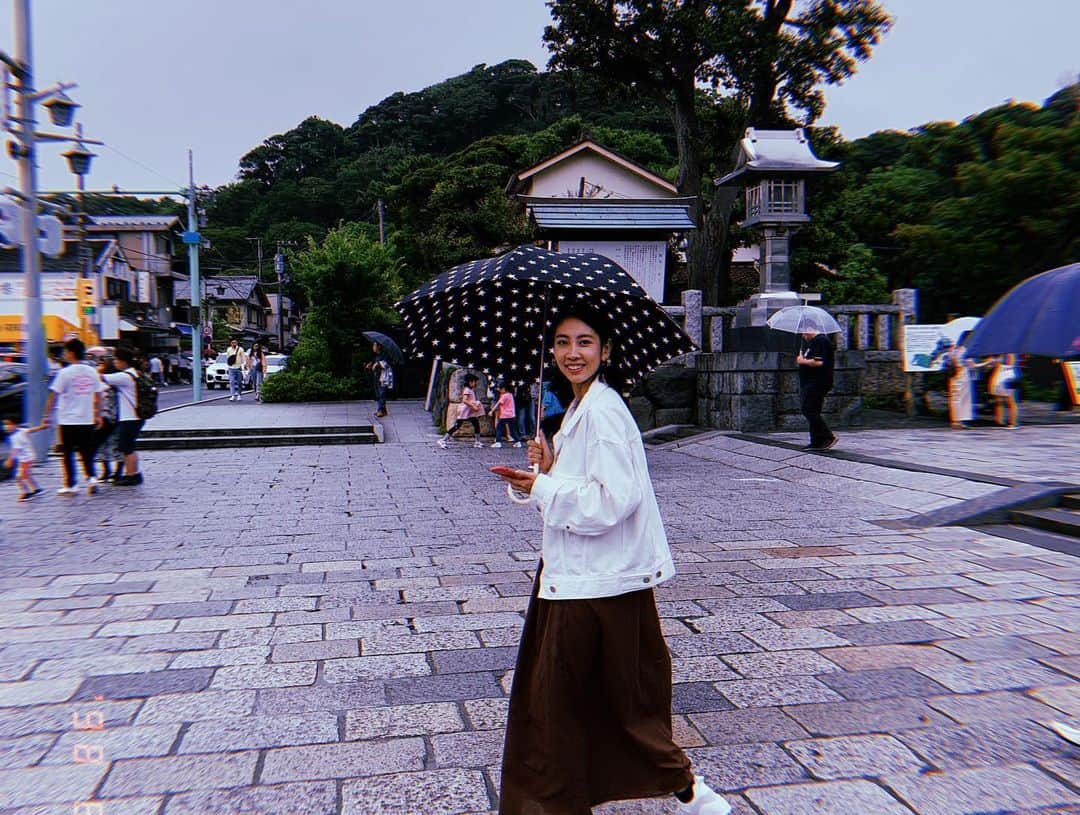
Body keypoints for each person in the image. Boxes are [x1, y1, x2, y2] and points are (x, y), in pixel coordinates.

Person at [493, 305, 732, 815]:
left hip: (596, 584)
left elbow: (612, 501)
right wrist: (548, 468)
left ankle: (691, 794)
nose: (571, 353)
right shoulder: (581, 408)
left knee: (571, 704)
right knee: (598, 701)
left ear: (605, 349)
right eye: (561, 342)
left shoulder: (601, 411)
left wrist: (543, 485)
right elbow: (582, 488)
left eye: (583, 342)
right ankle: (689, 794)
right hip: (579, 577)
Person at [41, 338, 105, 496]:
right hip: (86, 419)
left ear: (71, 353)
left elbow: (53, 395)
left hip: (68, 419)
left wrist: (46, 415)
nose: (64, 354)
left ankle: (71, 485)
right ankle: (91, 478)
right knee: (86, 452)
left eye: (65, 351)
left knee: (68, 452)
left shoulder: (64, 373)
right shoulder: (92, 371)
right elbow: (99, 395)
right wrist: (98, 414)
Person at [102, 348, 146, 486]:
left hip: (130, 417)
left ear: (122, 361)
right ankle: (132, 473)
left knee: (127, 447)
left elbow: (101, 377)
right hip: (134, 416)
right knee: (128, 446)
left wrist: (100, 368)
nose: (114, 362)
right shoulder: (134, 374)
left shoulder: (124, 376)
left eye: (116, 360)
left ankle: (131, 474)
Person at [796, 320, 837, 450]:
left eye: (803, 331)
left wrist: (803, 361)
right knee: (813, 410)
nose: (803, 335)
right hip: (811, 381)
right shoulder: (813, 343)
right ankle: (816, 441)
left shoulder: (820, 341)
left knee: (808, 409)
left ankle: (827, 436)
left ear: (809, 328)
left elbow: (818, 362)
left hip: (817, 381)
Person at [95, 357, 123, 482]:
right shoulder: (119, 383)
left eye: (101, 364)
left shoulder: (103, 384)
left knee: (103, 445)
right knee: (114, 445)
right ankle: (116, 472)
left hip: (106, 418)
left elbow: (102, 403)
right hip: (118, 418)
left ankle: (107, 471)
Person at [438, 373, 485, 448]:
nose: (475, 383)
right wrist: (473, 406)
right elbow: (465, 400)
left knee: (476, 424)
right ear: (470, 382)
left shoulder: (470, 390)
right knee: (457, 425)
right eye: (474, 382)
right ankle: (443, 440)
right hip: (465, 411)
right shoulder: (467, 390)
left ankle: (477, 441)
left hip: (469, 411)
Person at [3, 416, 45, 500]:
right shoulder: (21, 430)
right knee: (26, 475)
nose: (6, 426)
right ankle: (37, 489)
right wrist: (41, 427)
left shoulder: (15, 436)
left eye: (8, 424)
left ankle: (26, 493)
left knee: (18, 477)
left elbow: (16, 450)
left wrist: (10, 460)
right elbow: (31, 430)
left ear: (15, 425)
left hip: (26, 458)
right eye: (5, 424)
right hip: (28, 457)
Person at [989, 353, 1021, 428]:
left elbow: (1011, 365)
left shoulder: (1010, 352)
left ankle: (1012, 422)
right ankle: (999, 421)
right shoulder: (1000, 353)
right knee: (999, 400)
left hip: (1007, 376)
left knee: (1010, 400)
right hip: (1000, 376)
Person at [490, 381, 522, 448]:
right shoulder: (510, 395)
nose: (500, 390)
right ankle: (518, 442)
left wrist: (491, 411)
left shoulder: (504, 396)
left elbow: (498, 404)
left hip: (504, 415)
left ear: (504, 389)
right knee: (513, 430)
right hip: (512, 415)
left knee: (499, 428)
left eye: (500, 389)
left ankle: (498, 442)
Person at [367, 342, 394, 418]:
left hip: (383, 377)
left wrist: (377, 363)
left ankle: (380, 410)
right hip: (377, 377)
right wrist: (370, 365)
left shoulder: (384, 355)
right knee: (379, 394)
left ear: (379, 346)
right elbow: (374, 365)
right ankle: (383, 410)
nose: (373, 347)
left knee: (381, 393)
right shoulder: (376, 356)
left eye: (374, 345)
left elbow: (385, 364)